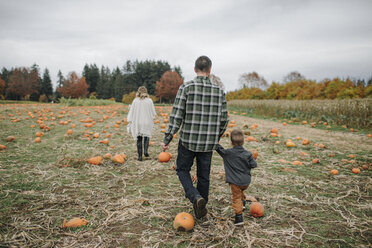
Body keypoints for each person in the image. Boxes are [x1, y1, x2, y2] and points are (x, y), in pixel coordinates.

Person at [162, 56, 229, 219]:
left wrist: (168, 138)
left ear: (195, 69)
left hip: (188, 141)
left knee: (182, 169)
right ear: (210, 70)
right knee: (204, 176)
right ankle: (201, 211)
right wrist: (216, 137)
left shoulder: (186, 87)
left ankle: (195, 197)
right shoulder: (219, 91)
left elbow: (176, 115)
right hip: (208, 143)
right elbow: (224, 119)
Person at [216, 129, 257, 225]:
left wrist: (215, 142)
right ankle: (243, 204)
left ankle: (239, 217)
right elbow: (254, 165)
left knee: (236, 198)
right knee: (241, 191)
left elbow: (219, 149)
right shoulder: (248, 154)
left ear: (231, 142)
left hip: (235, 182)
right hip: (246, 182)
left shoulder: (227, 153)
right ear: (243, 141)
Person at [127, 86, 156, 161]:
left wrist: (130, 120)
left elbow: (132, 111)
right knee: (146, 137)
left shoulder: (135, 101)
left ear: (138, 92)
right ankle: (145, 151)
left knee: (139, 139)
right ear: (146, 92)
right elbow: (153, 112)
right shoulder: (149, 100)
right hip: (147, 122)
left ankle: (140, 156)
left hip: (138, 122)